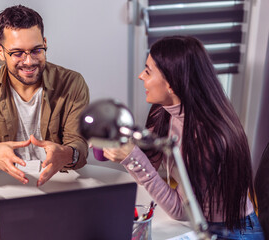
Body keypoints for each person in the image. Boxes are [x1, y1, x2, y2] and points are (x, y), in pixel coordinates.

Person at [103, 36, 265, 239]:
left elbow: (181, 210)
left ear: (171, 84)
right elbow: (150, 166)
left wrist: (132, 158)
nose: (140, 76)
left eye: (148, 71)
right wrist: (125, 147)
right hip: (200, 223)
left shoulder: (206, 135)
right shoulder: (162, 111)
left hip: (232, 230)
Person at [0, 5, 89, 186]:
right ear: (1, 52)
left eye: (37, 50)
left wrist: (68, 153)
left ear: (45, 43)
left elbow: (80, 149)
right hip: (8, 184)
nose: (29, 61)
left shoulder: (72, 83)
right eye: (17, 53)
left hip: (59, 180)